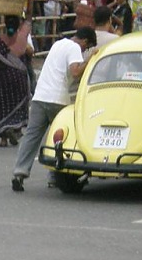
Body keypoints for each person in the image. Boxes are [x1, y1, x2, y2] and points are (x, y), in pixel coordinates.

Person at [11, 27, 96, 191]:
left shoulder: (58, 44)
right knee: (62, 139)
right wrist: (90, 59)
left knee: (31, 136)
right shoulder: (75, 48)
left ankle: (19, 172)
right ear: (85, 41)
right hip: (58, 99)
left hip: (40, 96)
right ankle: (55, 176)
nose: (85, 50)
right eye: (88, 47)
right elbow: (75, 71)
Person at [0, 15, 33, 146]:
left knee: (1, 107)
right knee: (18, 106)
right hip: (18, 78)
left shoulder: (0, 40)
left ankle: (3, 139)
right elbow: (29, 19)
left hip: (1, 79)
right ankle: (15, 130)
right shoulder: (23, 38)